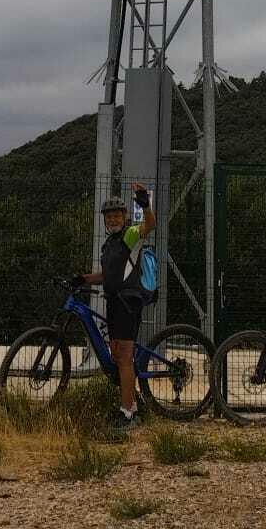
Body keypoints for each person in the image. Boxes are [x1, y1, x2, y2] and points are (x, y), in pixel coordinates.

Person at [76, 182, 155, 431]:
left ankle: (127, 414)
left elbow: (149, 226)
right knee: (118, 356)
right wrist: (82, 279)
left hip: (128, 302)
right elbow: (106, 276)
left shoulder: (130, 235)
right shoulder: (108, 245)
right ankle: (132, 404)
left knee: (124, 358)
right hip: (113, 303)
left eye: (117, 215)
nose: (113, 219)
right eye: (109, 216)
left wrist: (145, 205)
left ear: (124, 216)